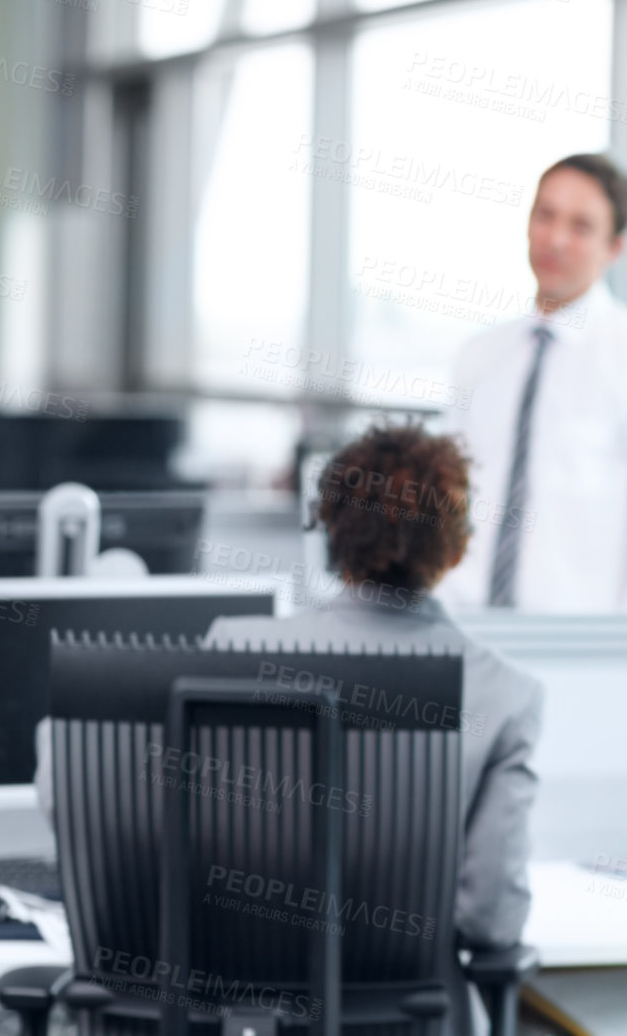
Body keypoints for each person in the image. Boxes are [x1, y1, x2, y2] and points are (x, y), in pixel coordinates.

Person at [205, 423, 543, 1032]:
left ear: (329, 531)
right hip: (411, 1019)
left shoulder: (233, 649)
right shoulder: (504, 693)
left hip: (247, 1017)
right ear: (458, 549)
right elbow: (492, 919)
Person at [439, 152, 627, 614]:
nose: (555, 239)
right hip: (466, 627)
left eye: (580, 226)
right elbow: (447, 500)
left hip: (579, 650)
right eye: (545, 215)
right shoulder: (479, 356)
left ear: (614, 247)